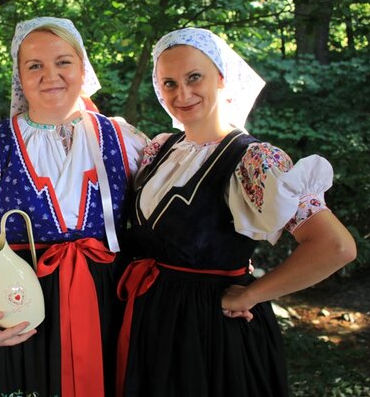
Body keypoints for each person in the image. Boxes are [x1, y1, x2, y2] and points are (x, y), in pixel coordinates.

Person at [115, 27, 357, 397]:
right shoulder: (160, 149)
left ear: (222, 78)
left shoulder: (253, 160)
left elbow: (335, 247)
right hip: (153, 318)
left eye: (194, 77)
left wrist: (251, 295)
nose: (183, 93)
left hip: (211, 330)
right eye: (169, 83)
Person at [0, 17, 148, 396]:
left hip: (109, 314)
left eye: (63, 61)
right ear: (19, 75)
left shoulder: (124, 139)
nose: (51, 75)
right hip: (19, 315)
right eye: (35, 66)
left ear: (82, 66)